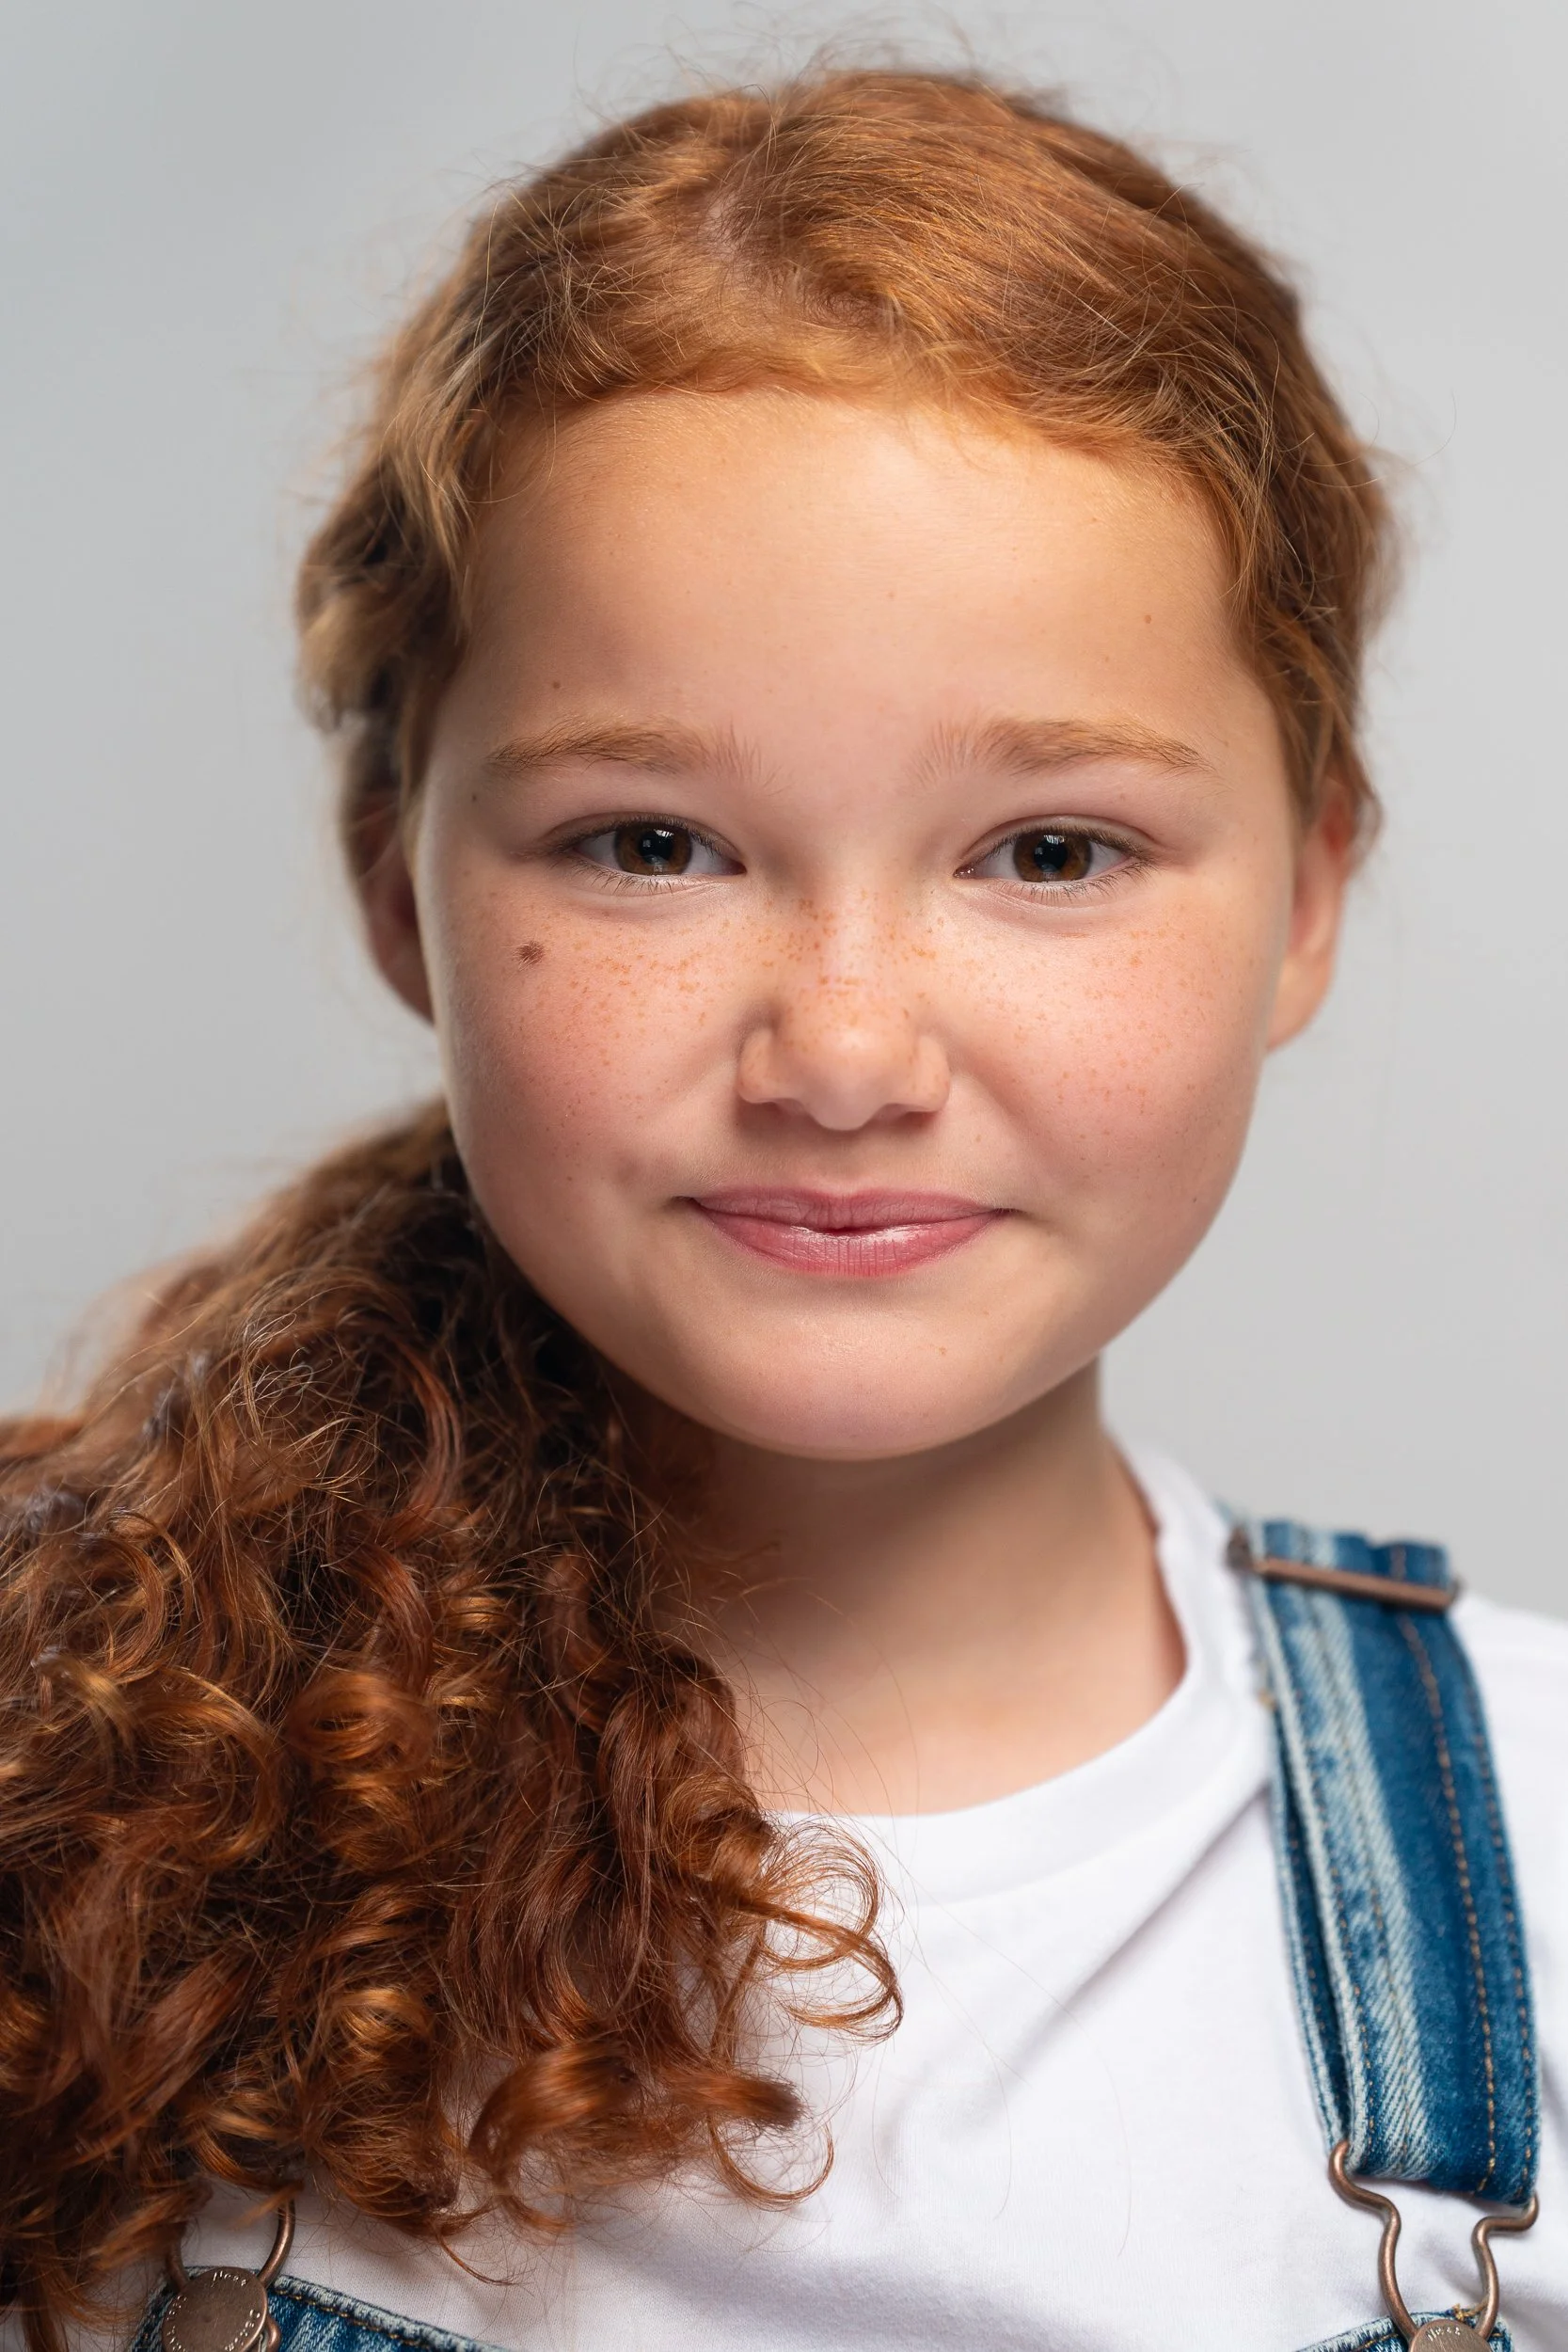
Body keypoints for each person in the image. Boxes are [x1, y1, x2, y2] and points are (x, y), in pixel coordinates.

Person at [1, 65, 1563, 2352]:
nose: (840, 1052)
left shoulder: (1536, 1834)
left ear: (1309, 891)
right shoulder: (68, 1794)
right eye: (651, 843)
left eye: (1047, 853)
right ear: (396, 887)